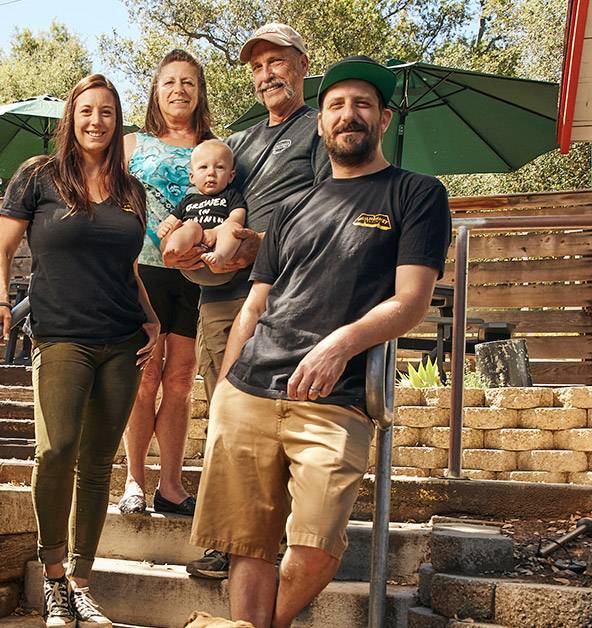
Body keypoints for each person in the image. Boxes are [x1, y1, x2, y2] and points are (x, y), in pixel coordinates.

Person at [188, 56, 451, 628]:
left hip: (335, 400)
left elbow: (410, 301)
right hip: (250, 390)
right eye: (336, 105)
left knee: (315, 549)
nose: (348, 115)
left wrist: (340, 345)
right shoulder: (290, 209)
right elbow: (255, 306)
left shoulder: (416, 195)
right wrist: (226, 390)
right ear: (322, 123)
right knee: (247, 544)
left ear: (383, 120)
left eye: (362, 105)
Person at [0, 73, 160, 627]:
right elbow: (0, 250)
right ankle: (53, 574)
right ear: (71, 117)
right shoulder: (38, 177)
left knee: (98, 461)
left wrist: (152, 319)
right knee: (56, 449)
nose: (96, 121)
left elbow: (128, 268)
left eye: (107, 112)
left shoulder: (132, 191)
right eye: (87, 111)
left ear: (118, 120)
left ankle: (82, 581)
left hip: (123, 340)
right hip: (60, 335)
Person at [163, 23, 330, 580]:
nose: (266, 75)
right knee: (226, 415)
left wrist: (262, 244)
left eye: (276, 62)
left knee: (283, 417)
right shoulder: (241, 142)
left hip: (287, 295)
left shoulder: (321, 131)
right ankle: (229, 542)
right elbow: (209, 202)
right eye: (257, 67)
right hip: (223, 298)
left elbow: (336, 209)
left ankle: (283, 542)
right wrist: (189, 245)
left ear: (302, 65)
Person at [118, 49, 214, 517]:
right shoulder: (133, 144)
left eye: (189, 83)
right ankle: (134, 481)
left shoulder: (217, 148)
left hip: (198, 276)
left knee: (179, 380)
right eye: (170, 82)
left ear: (199, 94)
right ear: (156, 92)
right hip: (142, 272)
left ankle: (171, 486)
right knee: (145, 377)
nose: (179, 90)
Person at [155, 139, 247, 285]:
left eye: (220, 167)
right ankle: (174, 250)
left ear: (231, 176)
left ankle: (220, 257)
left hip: (221, 252)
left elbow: (237, 217)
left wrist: (217, 231)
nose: (211, 173)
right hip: (192, 257)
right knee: (189, 225)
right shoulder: (188, 200)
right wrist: (165, 226)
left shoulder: (231, 195)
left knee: (233, 228)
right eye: (203, 167)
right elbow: (172, 220)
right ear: (192, 177)